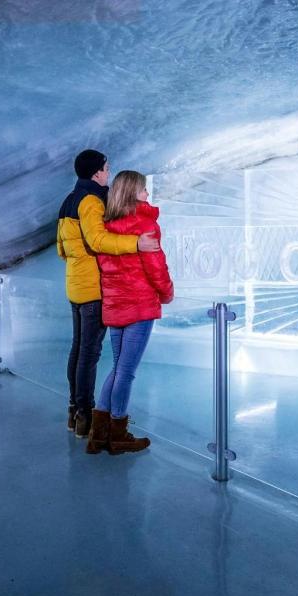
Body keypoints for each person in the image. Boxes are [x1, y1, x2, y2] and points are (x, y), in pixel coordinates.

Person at [57, 150, 160, 438]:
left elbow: (61, 248)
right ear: (96, 173)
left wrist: (79, 263)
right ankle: (86, 415)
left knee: (78, 350)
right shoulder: (90, 201)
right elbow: (98, 240)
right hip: (92, 287)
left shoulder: (69, 200)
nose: (108, 173)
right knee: (89, 354)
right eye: (106, 169)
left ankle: (74, 411)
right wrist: (135, 244)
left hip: (75, 285)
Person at [86, 170, 174, 455]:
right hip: (140, 305)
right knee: (126, 372)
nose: (147, 195)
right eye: (143, 190)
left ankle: (98, 435)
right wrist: (167, 292)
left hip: (115, 307)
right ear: (133, 192)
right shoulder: (145, 223)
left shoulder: (106, 226)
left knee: (117, 368)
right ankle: (118, 435)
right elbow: (156, 266)